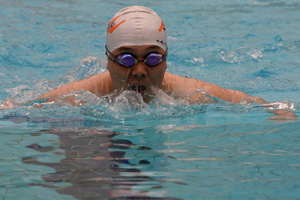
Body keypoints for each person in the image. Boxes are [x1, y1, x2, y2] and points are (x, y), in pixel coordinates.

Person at [3, 6, 297, 120]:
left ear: (167, 61)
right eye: (127, 58)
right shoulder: (82, 96)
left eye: (153, 58)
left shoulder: (191, 94)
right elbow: (19, 108)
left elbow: (260, 104)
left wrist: (280, 113)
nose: (140, 70)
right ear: (108, 60)